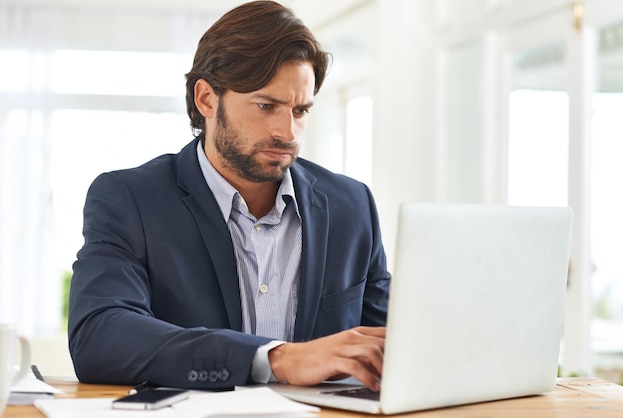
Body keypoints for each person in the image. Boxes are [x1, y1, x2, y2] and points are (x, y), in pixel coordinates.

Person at [68, 0, 390, 392]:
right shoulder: (130, 199)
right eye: (266, 106)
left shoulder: (351, 206)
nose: (288, 132)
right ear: (206, 99)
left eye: (301, 110)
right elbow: (99, 335)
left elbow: (391, 346)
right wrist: (276, 358)